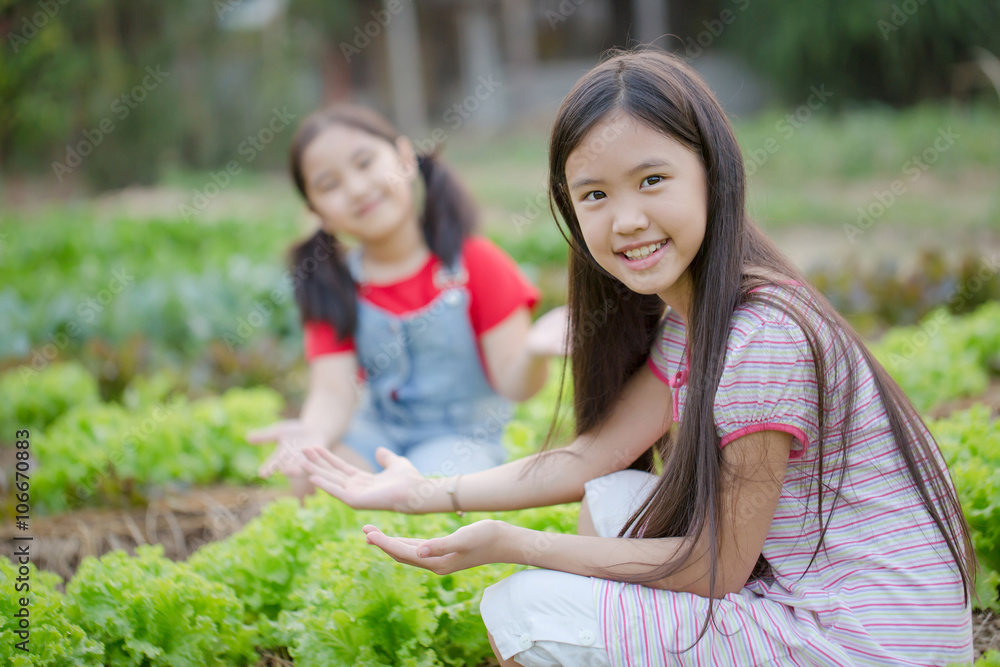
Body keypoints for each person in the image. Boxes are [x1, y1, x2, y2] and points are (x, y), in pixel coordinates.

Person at [299, 50, 975, 666]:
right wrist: (426, 493)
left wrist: (516, 542)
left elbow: (717, 563)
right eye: (594, 195)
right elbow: (590, 457)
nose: (624, 219)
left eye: (652, 179)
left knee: (522, 608)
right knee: (613, 492)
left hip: (871, 639)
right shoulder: (692, 322)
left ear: (714, 172)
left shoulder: (760, 337)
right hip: (823, 601)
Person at [250, 104, 567, 500]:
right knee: (316, 476)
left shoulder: (478, 265)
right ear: (319, 214)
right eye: (329, 185)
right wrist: (312, 434)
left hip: (458, 440)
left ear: (403, 159)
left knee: (425, 495)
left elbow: (514, 384)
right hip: (377, 433)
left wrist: (534, 354)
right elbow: (333, 391)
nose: (357, 188)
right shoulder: (332, 283)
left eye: (365, 163)